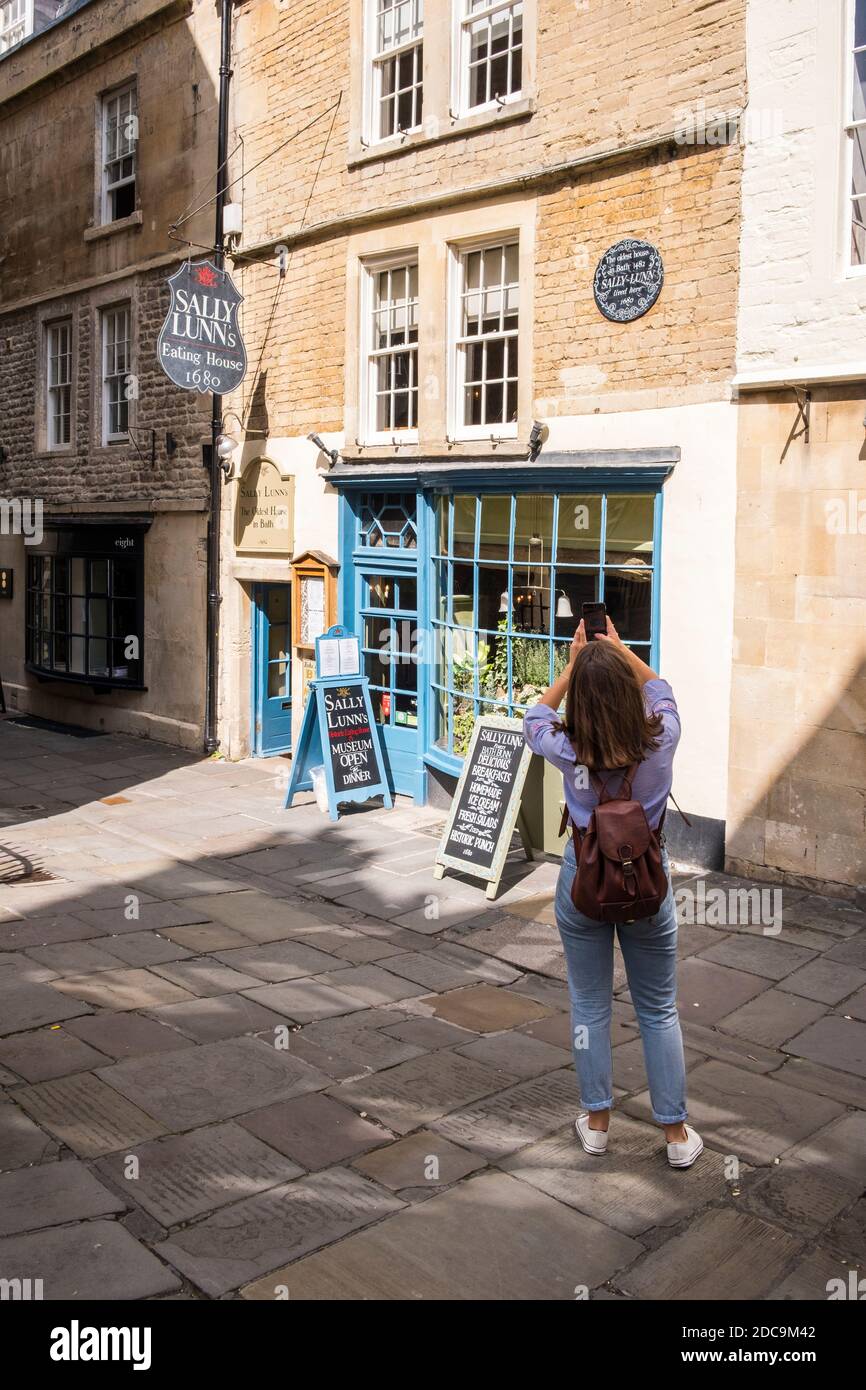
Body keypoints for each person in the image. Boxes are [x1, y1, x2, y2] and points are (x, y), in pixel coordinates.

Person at [523, 616, 703, 1169]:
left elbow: (534, 716)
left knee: (589, 1006)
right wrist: (622, 654)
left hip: (583, 881)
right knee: (658, 1009)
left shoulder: (565, 747)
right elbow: (663, 691)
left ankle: (597, 1123)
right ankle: (675, 1135)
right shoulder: (661, 740)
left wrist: (573, 668)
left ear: (580, 694)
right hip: (648, 883)